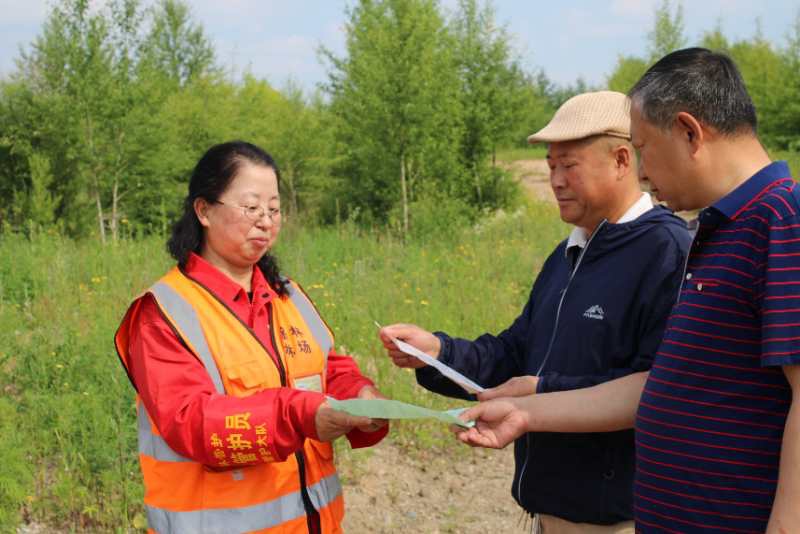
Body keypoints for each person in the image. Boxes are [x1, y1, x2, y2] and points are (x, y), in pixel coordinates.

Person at [457, 48, 800, 533]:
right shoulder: (718, 231)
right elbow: (660, 385)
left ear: (688, 132)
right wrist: (525, 412)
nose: (640, 172)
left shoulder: (782, 218)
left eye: (644, 148)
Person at [381, 91, 691, 533]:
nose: (556, 181)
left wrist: (540, 392)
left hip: (620, 519)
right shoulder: (567, 254)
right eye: (550, 166)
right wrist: (436, 354)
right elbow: (514, 353)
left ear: (623, 160)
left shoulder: (667, 252)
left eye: (569, 165)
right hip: (548, 515)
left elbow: (657, 387)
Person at [115, 141, 388, 534]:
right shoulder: (163, 312)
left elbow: (326, 367)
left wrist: (360, 395)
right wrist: (299, 414)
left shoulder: (286, 295)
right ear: (204, 210)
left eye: (274, 209)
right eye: (251, 207)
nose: (265, 220)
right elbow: (190, 422)